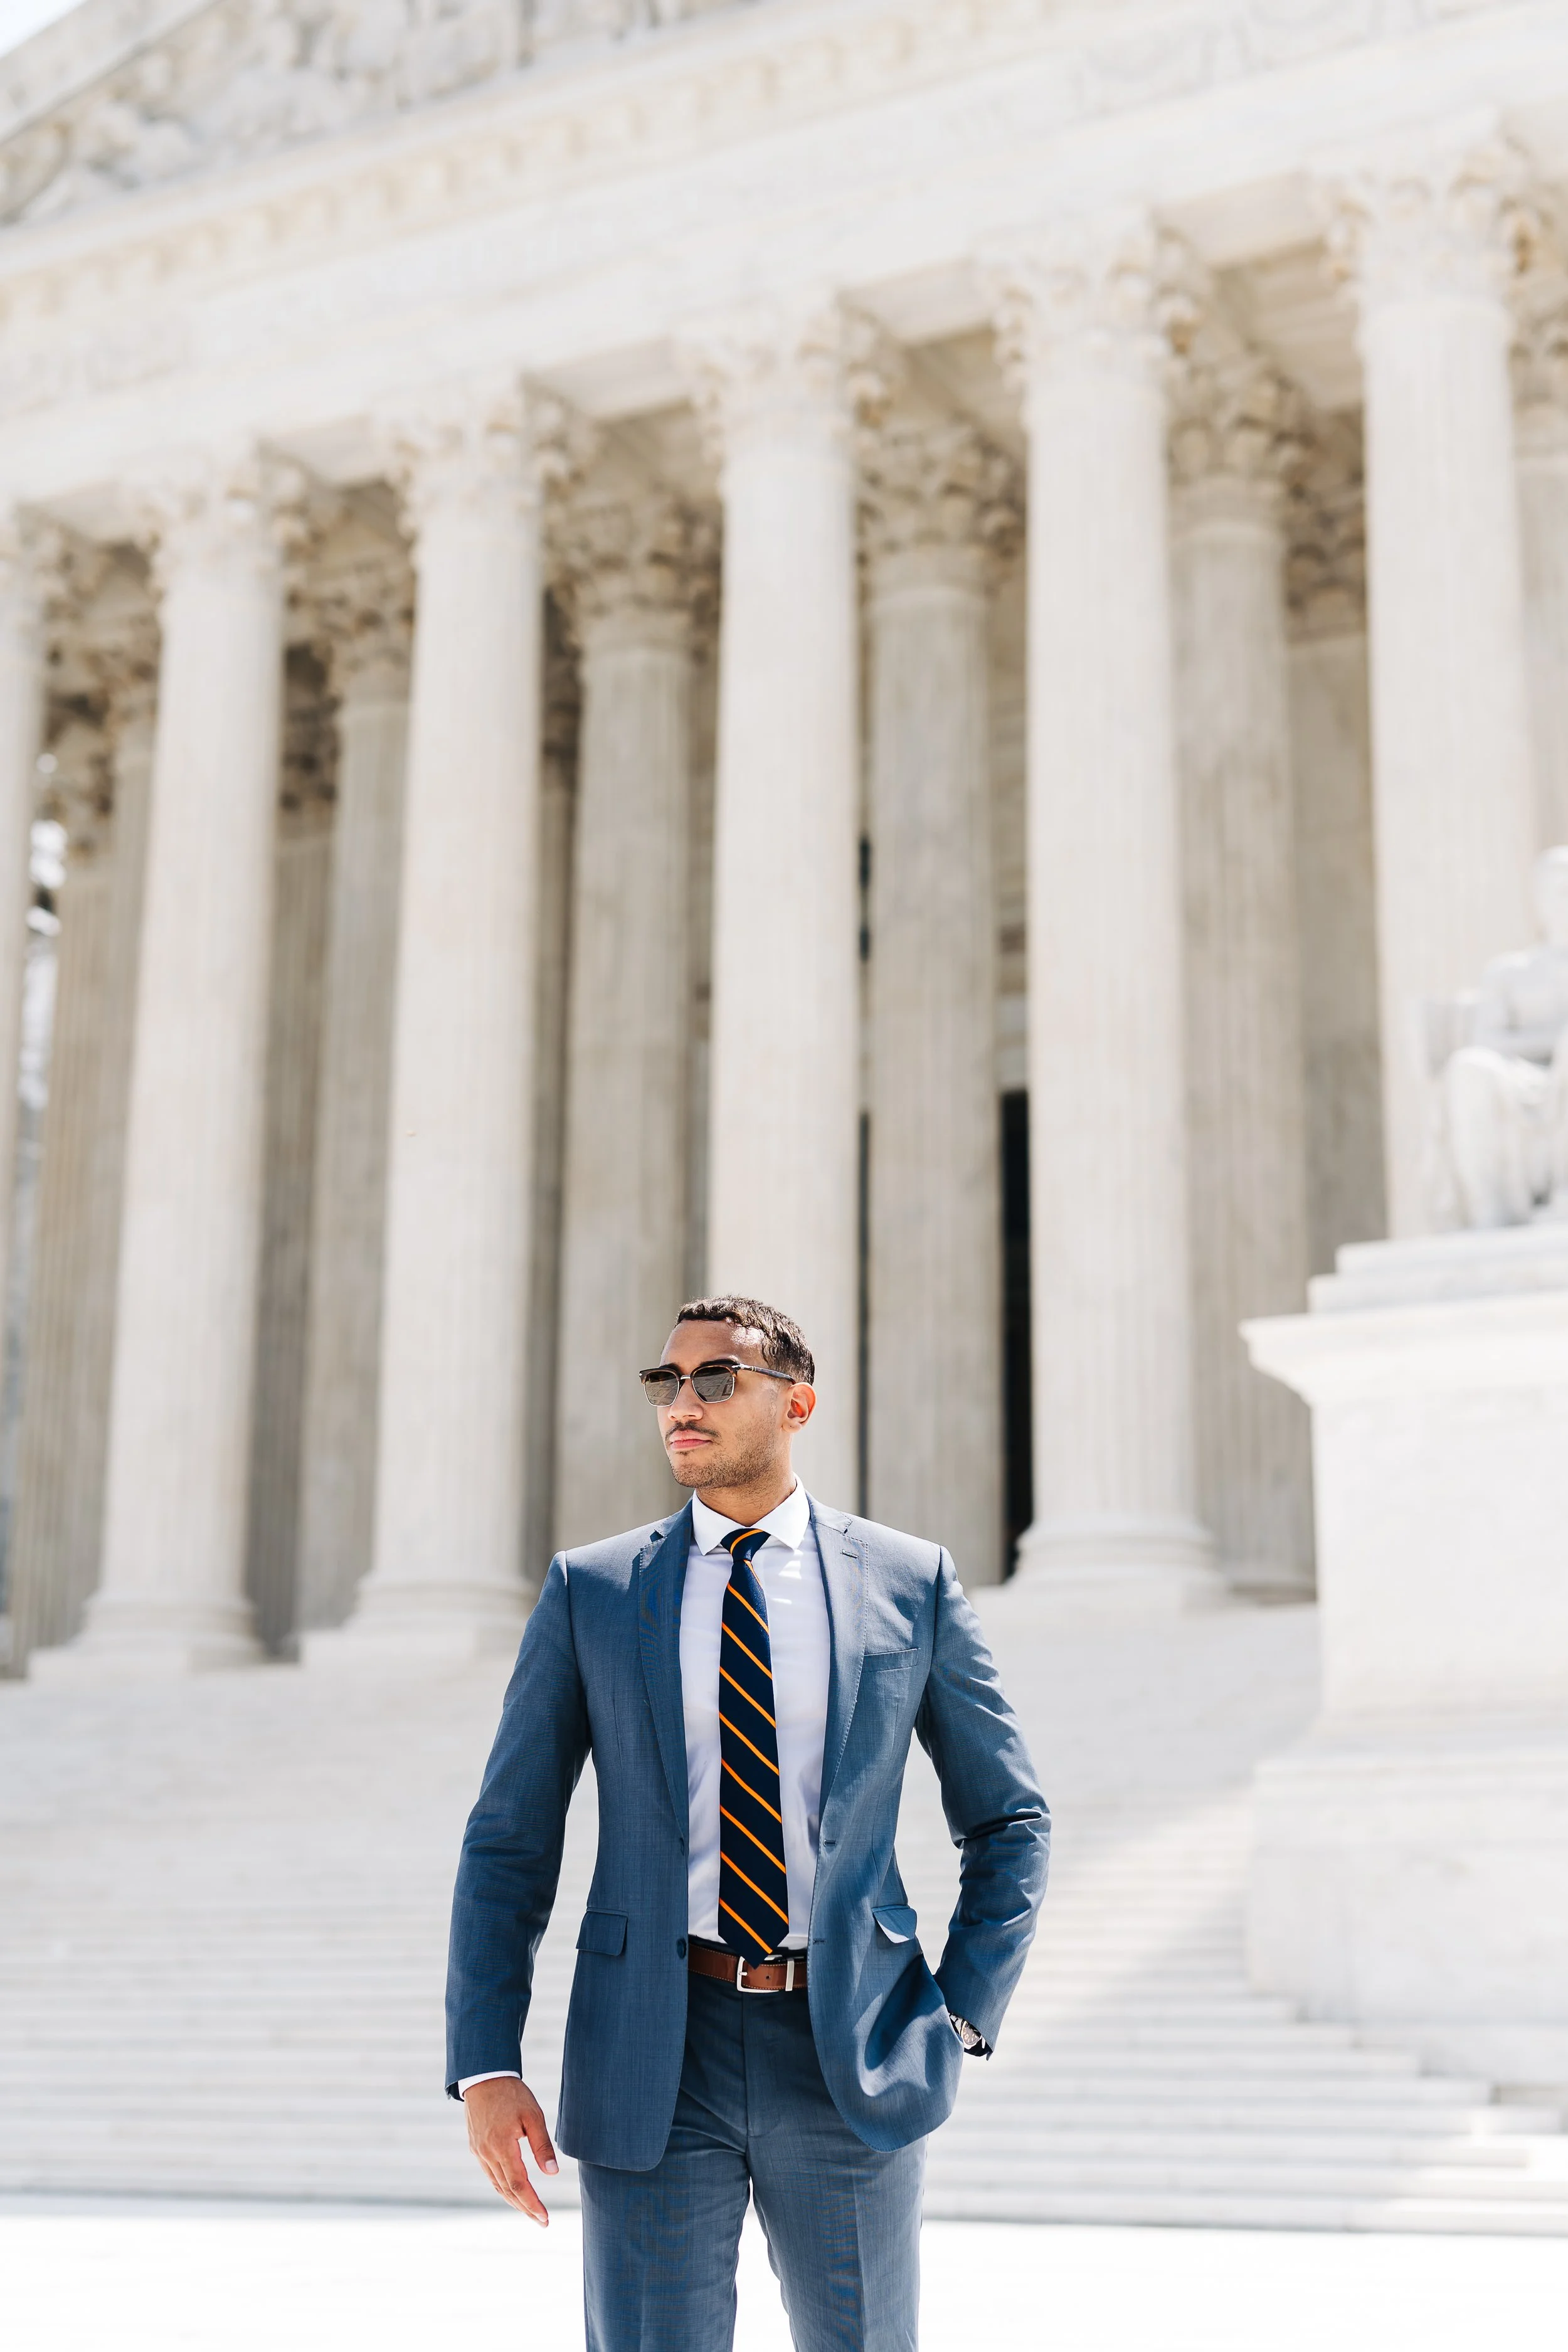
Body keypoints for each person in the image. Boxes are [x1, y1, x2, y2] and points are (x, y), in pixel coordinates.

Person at [447, 1293, 1049, 2352]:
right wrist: (486, 2059)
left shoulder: (909, 1582)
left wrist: (957, 2017)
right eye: (665, 1382)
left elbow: (1011, 1817)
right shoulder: (591, 1590)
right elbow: (509, 1837)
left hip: (850, 2047)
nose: (682, 1403)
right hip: (651, 2051)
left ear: (797, 1403)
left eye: (714, 1379)